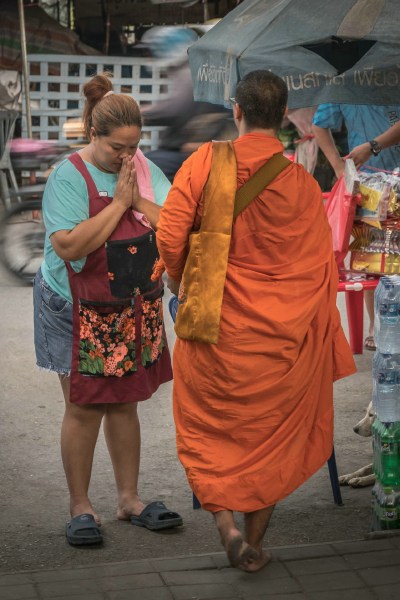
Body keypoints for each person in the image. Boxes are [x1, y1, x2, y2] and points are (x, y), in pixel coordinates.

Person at [156, 70, 356, 572]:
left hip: (214, 330)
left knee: (206, 428)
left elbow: (169, 236)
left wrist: (184, 285)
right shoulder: (302, 185)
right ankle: (255, 542)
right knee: (273, 435)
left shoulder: (205, 162)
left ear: (236, 110)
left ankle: (225, 528)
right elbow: (321, 267)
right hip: (281, 342)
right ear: (283, 115)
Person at [33, 72, 182, 546]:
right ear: (94, 135)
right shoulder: (67, 178)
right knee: (84, 405)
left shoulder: (141, 170)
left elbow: (175, 223)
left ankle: (129, 499)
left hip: (125, 304)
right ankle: (80, 506)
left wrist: (136, 195)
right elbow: (72, 246)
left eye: (134, 147)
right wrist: (120, 205)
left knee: (125, 401)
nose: (127, 156)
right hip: (73, 304)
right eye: (118, 147)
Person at [312, 103, 400, 351]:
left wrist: (373, 146)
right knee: (374, 259)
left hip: (394, 176)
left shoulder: (391, 72)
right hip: (370, 185)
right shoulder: (345, 84)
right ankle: (378, 325)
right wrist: (339, 167)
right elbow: (319, 125)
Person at [140, 26, 236, 181]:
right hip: (192, 145)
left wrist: (139, 113)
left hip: (191, 148)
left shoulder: (189, 72)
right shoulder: (197, 69)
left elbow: (174, 109)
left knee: (147, 165)